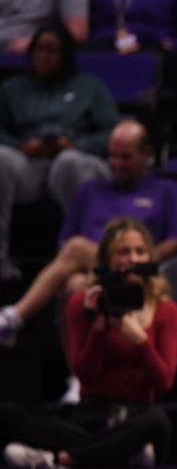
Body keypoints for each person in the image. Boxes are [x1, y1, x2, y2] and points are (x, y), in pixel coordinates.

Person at [0, 217, 177, 469]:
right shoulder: (83, 303)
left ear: (150, 258)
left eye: (140, 251)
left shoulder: (167, 309)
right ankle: (123, 454)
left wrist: (140, 340)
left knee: (158, 421)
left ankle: (60, 458)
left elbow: (163, 382)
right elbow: (85, 376)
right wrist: (97, 329)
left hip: (136, 413)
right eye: (123, 252)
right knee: (10, 414)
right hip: (93, 413)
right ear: (107, 260)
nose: (133, 259)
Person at [0, 119, 177, 344]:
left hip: (140, 271)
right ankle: (76, 377)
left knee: (78, 247)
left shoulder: (167, 190)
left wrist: (139, 262)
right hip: (96, 272)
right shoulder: (90, 190)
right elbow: (64, 242)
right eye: (113, 156)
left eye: (126, 157)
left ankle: (14, 317)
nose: (117, 163)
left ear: (147, 154)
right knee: (74, 284)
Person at [0, 24, 117, 281]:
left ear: (66, 55)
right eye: (40, 50)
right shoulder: (13, 89)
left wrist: (77, 144)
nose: (45, 56)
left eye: (53, 51)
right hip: (29, 164)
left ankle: (89, 258)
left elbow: (113, 132)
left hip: (73, 162)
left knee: (68, 162)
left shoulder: (89, 86)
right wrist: (20, 145)